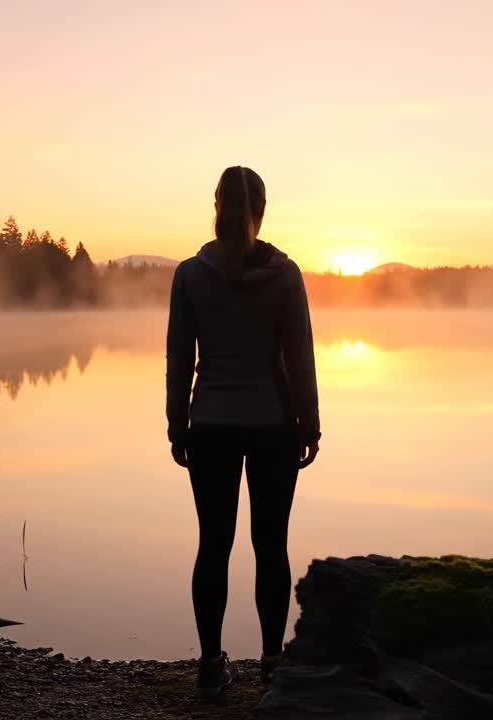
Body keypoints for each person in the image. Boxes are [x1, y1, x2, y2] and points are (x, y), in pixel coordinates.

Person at [166, 166, 321, 699]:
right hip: (274, 426)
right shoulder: (286, 274)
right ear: (262, 209)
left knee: (213, 545)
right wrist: (311, 423)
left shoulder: (189, 273)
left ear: (216, 206)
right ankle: (274, 664)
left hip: (209, 424)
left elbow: (179, 358)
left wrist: (176, 423)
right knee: (270, 546)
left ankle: (210, 667)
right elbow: (300, 357)